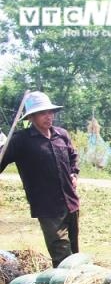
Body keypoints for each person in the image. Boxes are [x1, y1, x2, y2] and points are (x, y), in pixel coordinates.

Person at [0, 91, 80, 267]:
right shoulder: (20, 140)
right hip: (47, 206)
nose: (48, 116)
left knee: (75, 252)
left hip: (70, 202)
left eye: (50, 112)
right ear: (31, 117)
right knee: (62, 252)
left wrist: (74, 173)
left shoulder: (61, 135)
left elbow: (73, 156)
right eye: (42, 113)